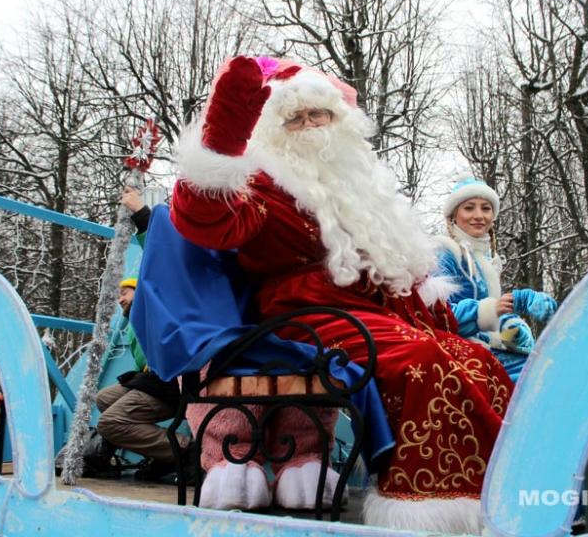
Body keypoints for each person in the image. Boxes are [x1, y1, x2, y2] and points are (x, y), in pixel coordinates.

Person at [167, 55, 513, 533]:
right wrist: (222, 141)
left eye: (320, 114)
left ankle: (497, 491)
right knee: (420, 359)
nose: (311, 126)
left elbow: (401, 271)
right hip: (303, 312)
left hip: (371, 312)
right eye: (296, 118)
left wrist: (438, 316)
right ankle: (428, 502)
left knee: (476, 358)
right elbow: (206, 219)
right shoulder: (264, 185)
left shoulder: (358, 188)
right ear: (274, 131)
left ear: (340, 121)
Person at [436, 177, 558, 382]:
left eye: (486, 208)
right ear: (453, 215)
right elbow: (437, 315)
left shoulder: (486, 259)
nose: (478, 216)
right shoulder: (444, 253)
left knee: (545, 365)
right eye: (469, 208)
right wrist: (489, 310)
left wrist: (511, 328)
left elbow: (491, 320)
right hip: (454, 352)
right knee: (535, 377)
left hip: (482, 345)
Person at [94, 277, 188, 481]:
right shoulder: (133, 326)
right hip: (152, 380)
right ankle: (161, 454)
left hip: (173, 382)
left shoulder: (154, 311)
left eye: (125, 293)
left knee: (109, 423)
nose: (120, 300)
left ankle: (187, 450)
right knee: (104, 398)